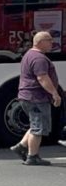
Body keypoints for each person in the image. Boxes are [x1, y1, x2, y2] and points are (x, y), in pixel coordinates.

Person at [9, 31, 61, 166]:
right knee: (38, 128)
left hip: (28, 96)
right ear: (40, 42)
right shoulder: (39, 59)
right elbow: (42, 78)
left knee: (35, 124)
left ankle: (21, 147)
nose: (52, 43)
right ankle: (32, 156)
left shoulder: (29, 55)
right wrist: (55, 94)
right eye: (49, 40)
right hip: (36, 97)